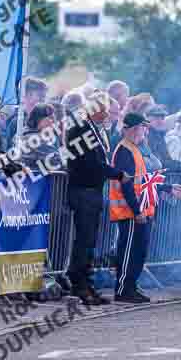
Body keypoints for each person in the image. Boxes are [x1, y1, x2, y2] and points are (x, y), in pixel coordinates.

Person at [110, 112, 181, 303]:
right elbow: (126, 185)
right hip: (130, 210)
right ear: (125, 130)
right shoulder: (125, 150)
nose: (139, 131)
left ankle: (131, 286)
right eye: (134, 128)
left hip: (140, 209)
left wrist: (166, 187)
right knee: (129, 251)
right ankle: (123, 288)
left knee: (139, 251)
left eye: (141, 128)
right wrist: (137, 211)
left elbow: (143, 182)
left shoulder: (135, 148)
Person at [65, 92, 129, 305]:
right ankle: (80, 284)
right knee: (85, 240)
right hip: (83, 190)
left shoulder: (95, 130)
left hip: (92, 191)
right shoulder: (80, 130)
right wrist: (118, 174)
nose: (108, 115)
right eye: (105, 110)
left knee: (89, 240)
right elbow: (91, 163)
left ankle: (85, 282)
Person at [5, 76, 48, 149]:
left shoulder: (47, 120)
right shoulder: (16, 123)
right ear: (25, 96)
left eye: (44, 97)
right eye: (40, 96)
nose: (43, 100)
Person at [19, 103, 62, 171]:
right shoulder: (36, 139)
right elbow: (56, 161)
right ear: (39, 119)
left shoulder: (23, 134)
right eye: (50, 118)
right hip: (38, 180)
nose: (53, 122)